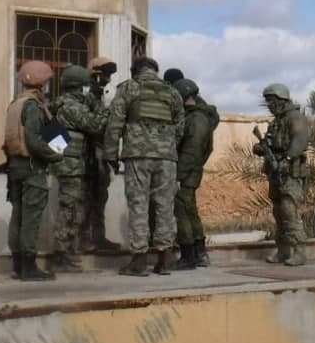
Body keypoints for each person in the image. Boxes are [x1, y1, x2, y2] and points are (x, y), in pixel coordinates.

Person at [103, 56, 184, 276]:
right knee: (165, 207)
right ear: (155, 71)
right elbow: (180, 126)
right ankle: (165, 259)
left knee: (139, 204)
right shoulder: (172, 92)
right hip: (167, 157)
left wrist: (111, 154)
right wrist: (166, 145)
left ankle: (139, 261)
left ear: (134, 71)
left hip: (138, 155)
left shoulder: (128, 88)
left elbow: (115, 123)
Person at [2, 60, 63, 281]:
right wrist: (55, 155)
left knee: (17, 216)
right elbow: (34, 141)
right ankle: (29, 267)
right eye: (46, 81)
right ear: (40, 82)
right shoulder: (34, 107)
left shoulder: (14, 104)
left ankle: (18, 265)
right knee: (31, 219)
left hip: (15, 169)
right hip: (32, 169)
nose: (47, 85)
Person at [48, 64, 107, 272]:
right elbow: (95, 126)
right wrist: (101, 108)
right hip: (70, 165)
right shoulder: (71, 106)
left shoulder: (63, 104)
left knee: (75, 207)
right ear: (78, 87)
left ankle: (67, 250)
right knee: (69, 208)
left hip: (71, 163)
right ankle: (60, 254)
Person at [253, 82, 310, 266]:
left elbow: (300, 141)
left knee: (289, 210)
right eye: (267, 102)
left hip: (290, 172)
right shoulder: (276, 122)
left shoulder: (295, 118)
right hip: (276, 172)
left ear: (281, 99)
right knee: (279, 212)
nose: (269, 105)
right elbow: (272, 143)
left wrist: (286, 157)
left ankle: (299, 250)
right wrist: (261, 148)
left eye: (271, 101)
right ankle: (283, 250)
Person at [172, 78, 218, 269]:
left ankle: (189, 256)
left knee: (183, 212)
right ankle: (198, 254)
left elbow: (193, 151)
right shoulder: (198, 116)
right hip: (190, 171)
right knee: (189, 210)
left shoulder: (196, 119)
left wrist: (177, 174)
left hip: (186, 172)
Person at [84, 56, 123, 253]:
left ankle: (98, 239)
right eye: (104, 75)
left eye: (109, 76)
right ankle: (83, 241)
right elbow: (90, 125)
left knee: (100, 197)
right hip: (86, 155)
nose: (107, 79)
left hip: (99, 155)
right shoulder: (85, 96)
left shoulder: (100, 95)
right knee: (85, 199)